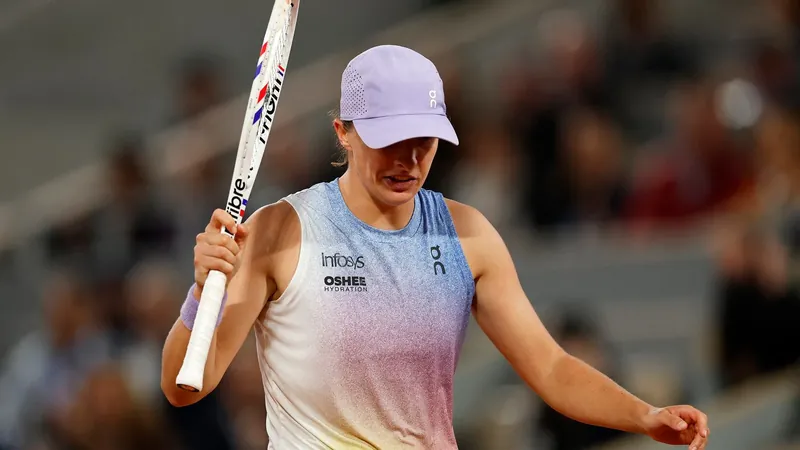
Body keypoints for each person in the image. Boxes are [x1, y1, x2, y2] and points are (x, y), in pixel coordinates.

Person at [160, 45, 710, 449]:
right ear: (344, 132)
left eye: (423, 140)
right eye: (390, 140)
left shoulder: (468, 235)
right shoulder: (279, 232)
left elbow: (552, 368)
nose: (409, 160)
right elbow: (185, 388)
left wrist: (645, 415)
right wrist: (201, 293)